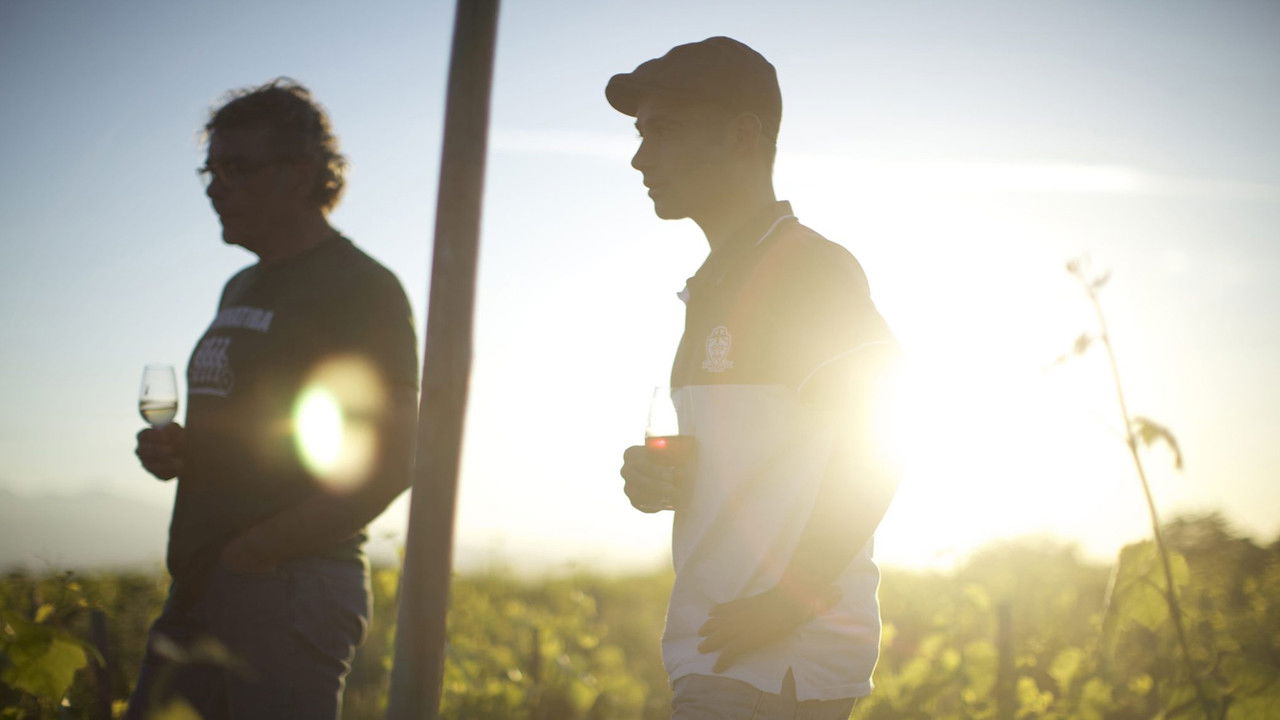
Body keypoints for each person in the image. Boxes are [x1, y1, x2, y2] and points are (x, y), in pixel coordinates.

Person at [610, 38, 901, 718]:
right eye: (640, 133)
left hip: (779, 663)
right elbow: (757, 466)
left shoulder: (807, 270)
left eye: (664, 130)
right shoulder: (713, 284)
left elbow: (884, 443)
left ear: (743, 135)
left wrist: (790, 598)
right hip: (726, 652)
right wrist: (663, 482)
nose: (640, 157)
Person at [127, 79, 418, 720]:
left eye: (238, 167)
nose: (215, 186)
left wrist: (257, 554)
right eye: (212, 168)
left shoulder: (359, 287)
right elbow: (262, 429)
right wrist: (183, 451)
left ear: (301, 172)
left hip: (288, 586)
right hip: (203, 581)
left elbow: (395, 455)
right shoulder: (241, 285)